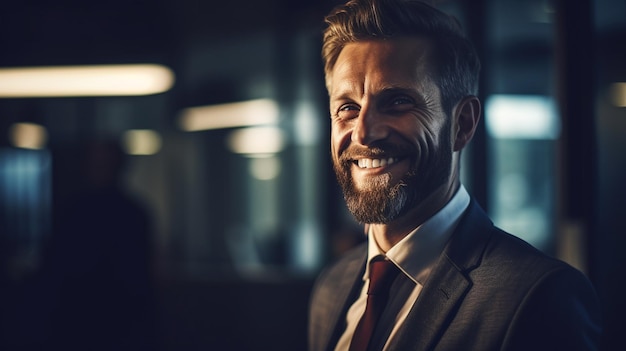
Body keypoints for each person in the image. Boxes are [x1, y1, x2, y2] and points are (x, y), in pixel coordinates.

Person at [308, 0, 602, 350]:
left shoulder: (540, 297)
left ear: (462, 124)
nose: (363, 133)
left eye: (398, 102)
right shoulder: (332, 287)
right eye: (348, 109)